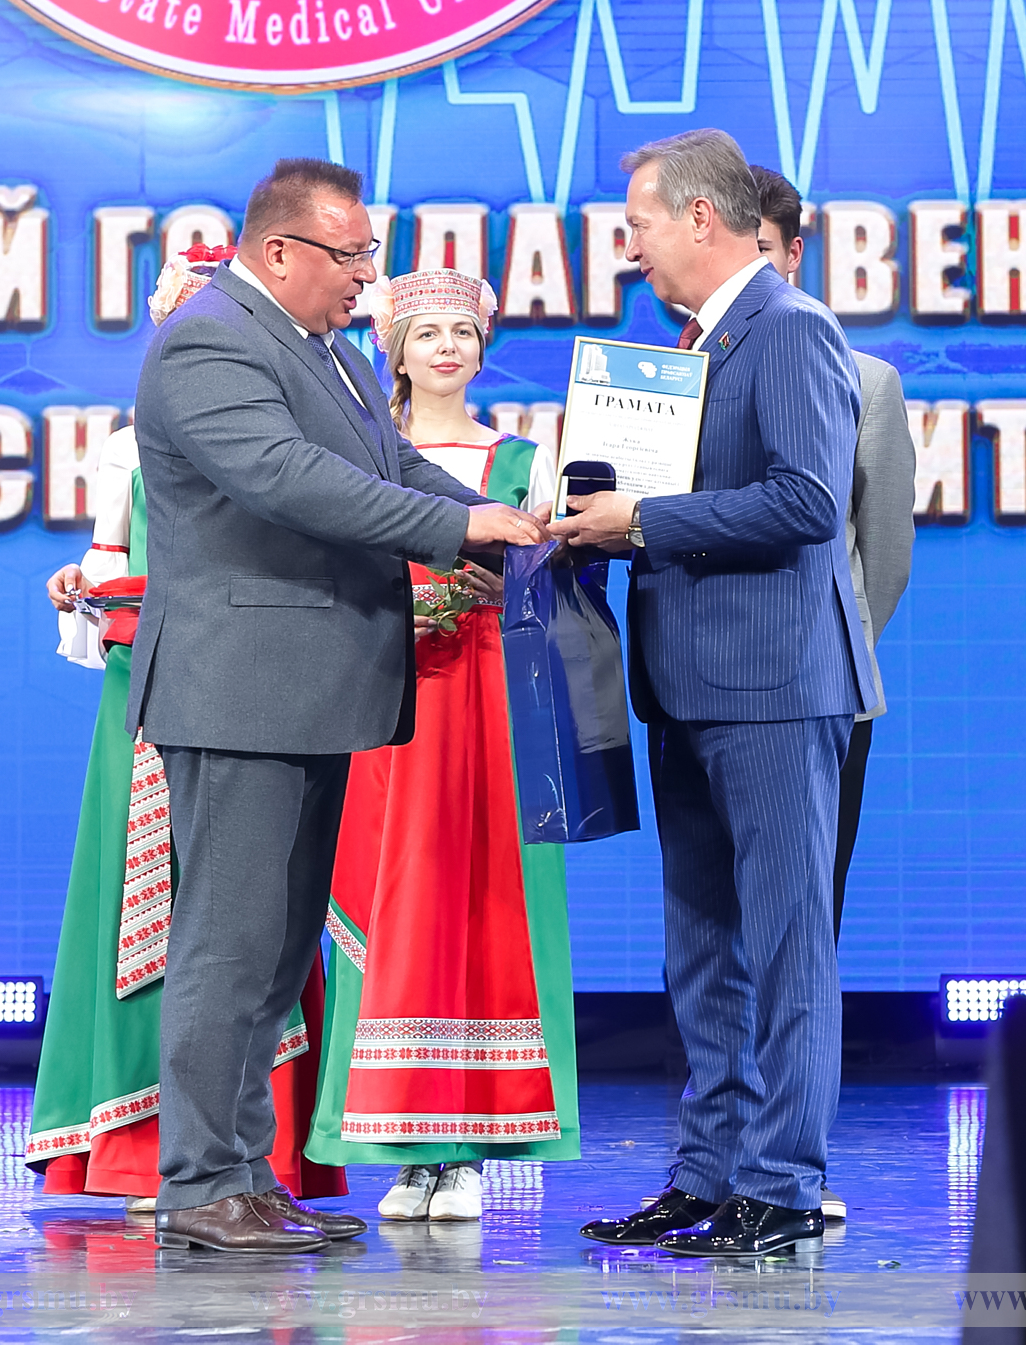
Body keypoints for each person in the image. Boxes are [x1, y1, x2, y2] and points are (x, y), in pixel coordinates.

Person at [129, 158, 546, 1254]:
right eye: (350, 255)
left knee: (274, 952)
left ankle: (244, 1174)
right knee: (228, 944)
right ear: (279, 253)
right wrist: (460, 531)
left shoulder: (327, 350)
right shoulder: (210, 340)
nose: (368, 277)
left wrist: (503, 524)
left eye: (369, 254)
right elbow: (283, 475)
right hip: (240, 690)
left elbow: (391, 461)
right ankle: (199, 1183)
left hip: (308, 691)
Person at [553, 129, 878, 1259]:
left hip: (774, 689)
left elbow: (806, 501)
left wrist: (641, 520)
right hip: (686, 687)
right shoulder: (696, 345)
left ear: (699, 217)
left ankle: (780, 1186)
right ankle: (709, 1172)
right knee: (699, 948)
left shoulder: (789, 328)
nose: (629, 247)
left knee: (785, 946)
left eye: (637, 225)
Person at [25, 248, 347, 1214]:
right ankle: (167, 1163)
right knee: (173, 916)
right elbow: (110, 565)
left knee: (259, 920)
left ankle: (254, 1163)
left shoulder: (289, 423)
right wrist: (84, 588)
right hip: (153, 689)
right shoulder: (127, 449)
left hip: (264, 680)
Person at [304, 269, 580, 1221]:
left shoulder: (523, 458)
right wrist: (397, 606)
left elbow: (558, 584)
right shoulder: (360, 457)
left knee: (481, 901)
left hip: (489, 701)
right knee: (391, 900)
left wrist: (506, 588)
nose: (447, 348)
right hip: (387, 697)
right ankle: (404, 1145)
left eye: (463, 332)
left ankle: (466, 1152)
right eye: (427, 334)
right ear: (396, 350)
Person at [751, 164, 916, 1223]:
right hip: (701, 691)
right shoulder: (667, 378)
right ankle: (725, 1152)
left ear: (791, 252)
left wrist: (828, 656)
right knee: (711, 937)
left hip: (820, 696)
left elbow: (882, 553)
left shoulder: (865, 380)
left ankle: (797, 1159)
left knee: (805, 930)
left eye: (763, 252)